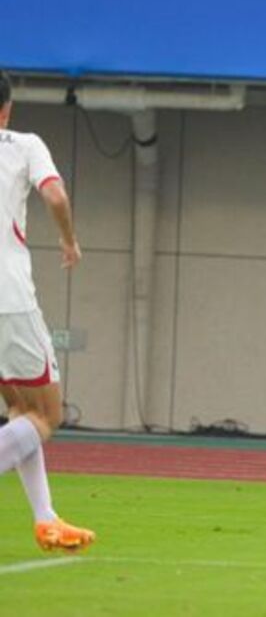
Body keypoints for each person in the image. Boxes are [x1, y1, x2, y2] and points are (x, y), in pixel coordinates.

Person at [0, 70, 95, 551]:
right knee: (46, 416)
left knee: (18, 408)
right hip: (8, 300)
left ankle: (46, 518)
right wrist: (68, 238)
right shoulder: (23, 144)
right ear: (7, 108)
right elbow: (54, 194)